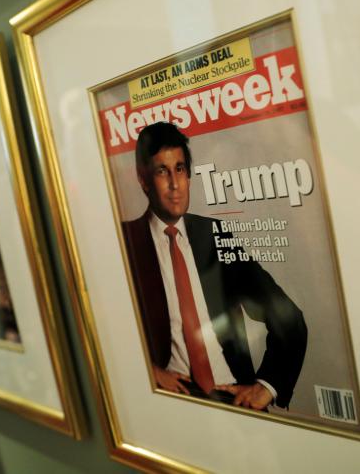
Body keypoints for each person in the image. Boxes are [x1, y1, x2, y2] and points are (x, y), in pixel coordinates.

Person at [122, 122, 307, 411]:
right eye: (162, 171)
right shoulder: (125, 243)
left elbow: (288, 316)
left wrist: (267, 385)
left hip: (232, 396)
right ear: (143, 179)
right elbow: (97, 327)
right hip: (171, 402)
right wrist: (149, 370)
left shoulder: (214, 234)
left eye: (180, 169)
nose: (174, 185)